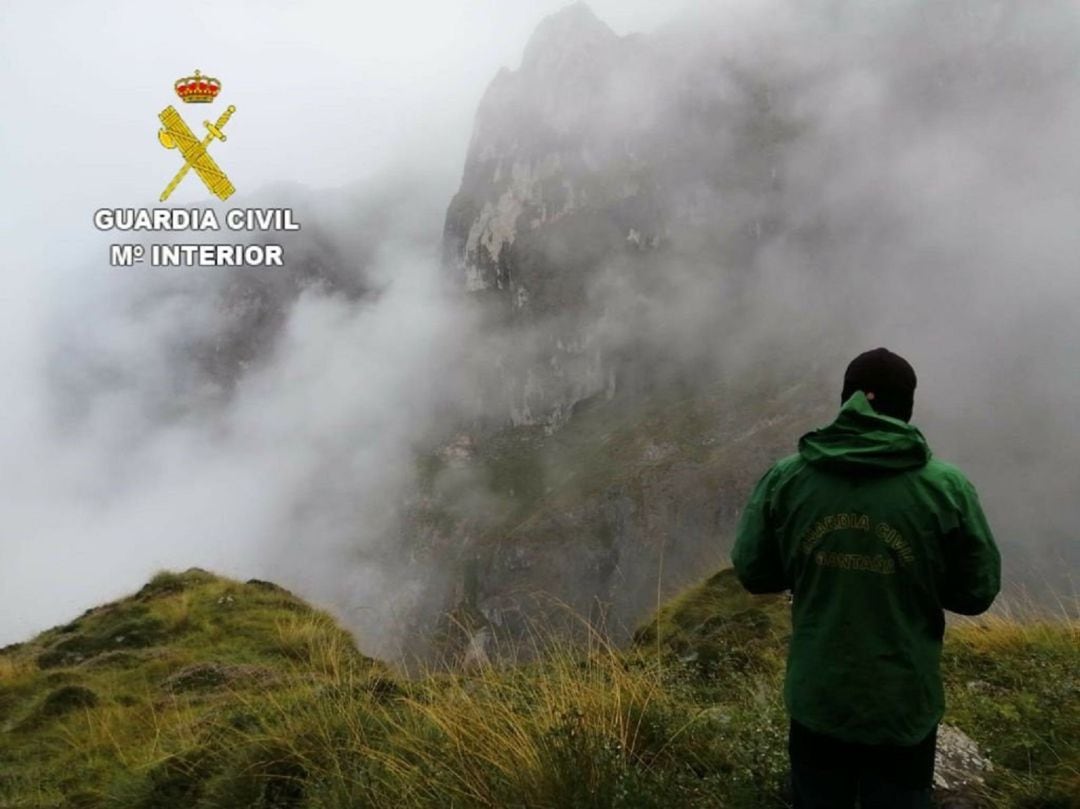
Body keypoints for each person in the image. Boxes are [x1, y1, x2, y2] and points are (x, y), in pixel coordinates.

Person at [730, 347, 1001, 808]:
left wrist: (811, 568)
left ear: (845, 401)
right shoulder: (946, 487)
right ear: (907, 406)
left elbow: (754, 571)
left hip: (818, 697)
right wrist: (916, 578)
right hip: (902, 705)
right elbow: (976, 592)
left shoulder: (788, 479)